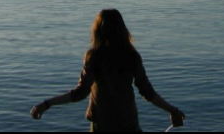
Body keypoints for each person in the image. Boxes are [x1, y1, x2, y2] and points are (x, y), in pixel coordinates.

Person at [31, 9, 185, 132]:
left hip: (101, 124)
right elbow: (147, 92)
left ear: (98, 30)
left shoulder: (94, 57)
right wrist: (173, 110)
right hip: (127, 122)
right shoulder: (131, 56)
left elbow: (80, 93)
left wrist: (46, 104)